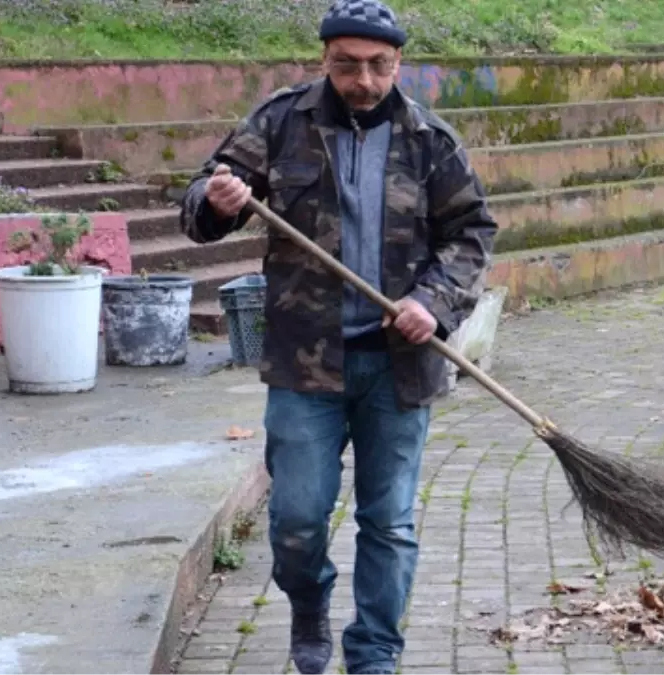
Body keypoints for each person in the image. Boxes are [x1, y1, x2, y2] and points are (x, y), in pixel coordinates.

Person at [177, 0, 498, 672]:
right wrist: (216, 199)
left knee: (389, 520)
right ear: (324, 60)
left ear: (398, 64)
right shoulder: (282, 121)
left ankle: (375, 651)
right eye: (348, 64)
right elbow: (204, 198)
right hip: (305, 363)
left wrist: (431, 303)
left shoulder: (429, 140)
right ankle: (307, 603)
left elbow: (470, 234)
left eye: (379, 66)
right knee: (296, 519)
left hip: (400, 365)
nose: (364, 80)